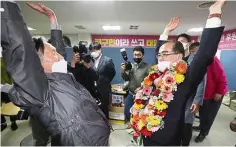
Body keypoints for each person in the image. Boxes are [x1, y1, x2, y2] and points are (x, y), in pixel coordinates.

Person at [1, 2, 110, 146]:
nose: (58, 54)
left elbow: (59, 50)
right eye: (53, 52)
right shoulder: (42, 91)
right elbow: (21, 48)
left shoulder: (60, 75)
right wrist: (7, 7)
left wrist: (52, 18)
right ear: (38, 63)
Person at [141, 0, 226, 145]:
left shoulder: (186, 77)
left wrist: (214, 14)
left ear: (179, 57)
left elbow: (205, 54)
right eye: (159, 55)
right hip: (147, 130)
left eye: (165, 54)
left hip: (168, 137)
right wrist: (165, 32)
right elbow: (161, 53)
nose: (161, 58)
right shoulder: (158, 73)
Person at [191, 42, 228, 143]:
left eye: (196, 50)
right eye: (193, 51)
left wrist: (219, 92)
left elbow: (222, 77)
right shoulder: (198, 60)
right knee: (202, 112)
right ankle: (201, 126)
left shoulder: (212, 59)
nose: (194, 53)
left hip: (214, 93)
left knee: (209, 114)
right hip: (204, 93)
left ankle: (204, 132)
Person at [121, 46, 151, 124]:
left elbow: (151, 81)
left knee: (140, 113)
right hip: (130, 93)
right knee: (127, 112)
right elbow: (126, 78)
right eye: (135, 55)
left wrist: (142, 88)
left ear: (142, 56)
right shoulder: (130, 66)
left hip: (142, 95)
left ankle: (138, 128)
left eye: (138, 55)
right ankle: (131, 125)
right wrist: (123, 71)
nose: (136, 56)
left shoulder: (148, 67)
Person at [89, 42, 116, 119]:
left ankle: (105, 125)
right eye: (92, 50)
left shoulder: (107, 60)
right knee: (93, 108)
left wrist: (105, 81)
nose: (94, 52)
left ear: (100, 49)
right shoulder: (89, 61)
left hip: (103, 89)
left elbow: (112, 73)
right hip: (92, 89)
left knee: (104, 108)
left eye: (96, 49)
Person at [1, 56, 18, 131]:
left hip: (6, 87)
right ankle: (3, 123)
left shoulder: (3, 60)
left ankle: (13, 122)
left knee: (10, 105)